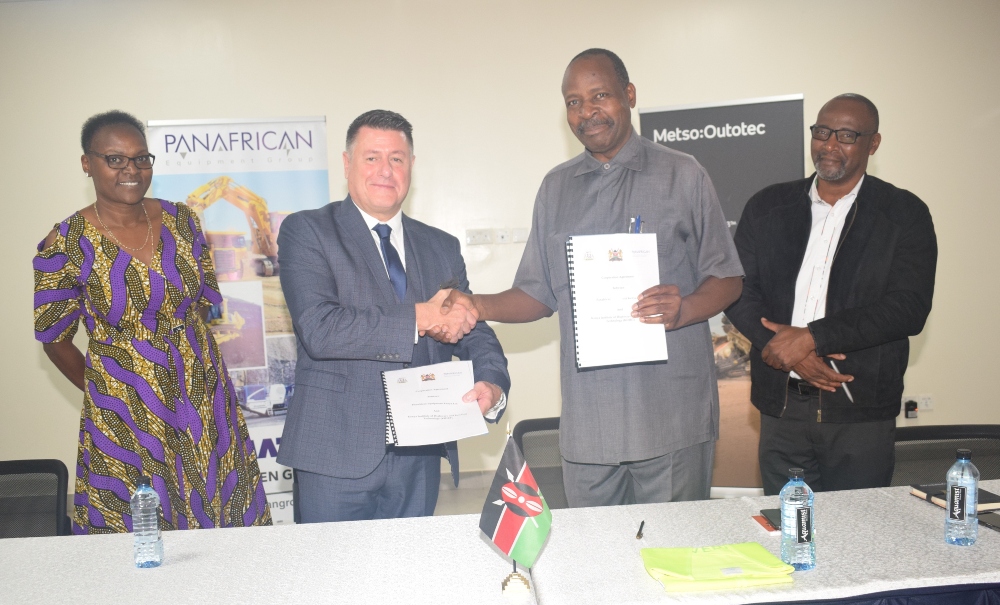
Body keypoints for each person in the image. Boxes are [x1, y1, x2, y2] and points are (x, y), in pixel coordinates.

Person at [440, 49, 743, 507]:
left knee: (675, 560)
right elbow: (538, 293)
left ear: (629, 95)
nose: (586, 112)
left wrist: (686, 308)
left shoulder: (683, 174)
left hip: (671, 416)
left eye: (599, 95)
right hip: (590, 428)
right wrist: (477, 305)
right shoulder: (556, 188)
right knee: (596, 564)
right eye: (573, 102)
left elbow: (728, 278)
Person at [33, 110, 272, 533]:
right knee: (135, 536)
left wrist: (182, 355)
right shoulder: (66, 242)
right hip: (125, 411)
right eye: (116, 159)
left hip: (201, 397)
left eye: (142, 159)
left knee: (222, 521)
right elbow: (55, 340)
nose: (132, 170)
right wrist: (107, 393)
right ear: (87, 163)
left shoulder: (183, 221)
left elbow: (204, 302)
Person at [277, 110, 510, 523]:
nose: (385, 170)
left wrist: (492, 381)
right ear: (347, 164)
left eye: (397, 159)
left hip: (418, 456)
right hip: (335, 454)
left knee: (409, 580)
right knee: (331, 582)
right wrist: (419, 317)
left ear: (411, 167)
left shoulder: (441, 246)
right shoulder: (307, 231)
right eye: (371, 158)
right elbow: (321, 329)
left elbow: (473, 327)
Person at [724, 94, 937, 495]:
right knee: (789, 533)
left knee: (859, 536)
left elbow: (908, 307)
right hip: (781, 407)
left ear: (873, 144)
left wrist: (812, 337)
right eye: (822, 132)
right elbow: (737, 290)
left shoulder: (904, 213)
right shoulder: (768, 206)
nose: (829, 144)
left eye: (846, 135)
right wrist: (785, 349)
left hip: (860, 410)